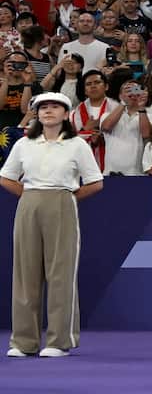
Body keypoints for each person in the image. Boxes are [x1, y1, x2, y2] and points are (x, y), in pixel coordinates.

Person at [1, 92, 103, 358]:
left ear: (65, 113)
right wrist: (32, 196)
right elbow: (6, 177)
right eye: (43, 107)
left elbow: (95, 181)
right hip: (29, 202)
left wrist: (67, 198)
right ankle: (23, 342)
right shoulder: (24, 144)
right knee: (25, 274)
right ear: (36, 113)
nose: (48, 111)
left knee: (61, 272)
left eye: (54, 107)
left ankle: (59, 340)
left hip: (62, 200)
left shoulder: (77, 145)